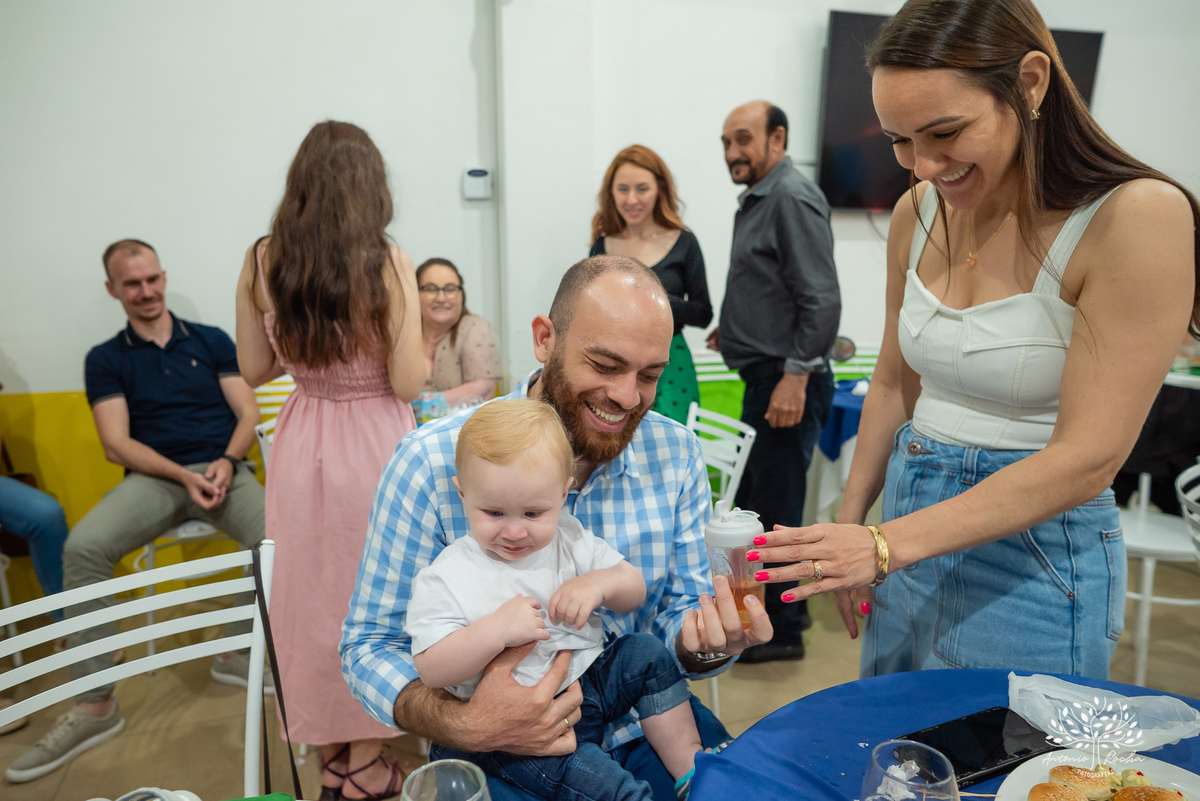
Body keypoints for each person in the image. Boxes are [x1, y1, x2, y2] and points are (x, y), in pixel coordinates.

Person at [747, 0, 1199, 680]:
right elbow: (897, 382)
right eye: (899, 140)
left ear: (1032, 83)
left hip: (1034, 551)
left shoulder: (1137, 217)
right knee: (902, 762)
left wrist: (879, 544)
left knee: (1006, 770)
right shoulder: (916, 212)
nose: (923, 165)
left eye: (945, 132)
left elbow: (1088, 458)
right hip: (908, 508)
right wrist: (852, 521)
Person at [341, 255, 773, 801]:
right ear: (545, 339)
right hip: (500, 750)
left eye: (649, 375)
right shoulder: (431, 462)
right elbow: (369, 648)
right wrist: (468, 723)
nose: (626, 396)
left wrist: (708, 644)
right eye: (605, 364)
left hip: (643, 723)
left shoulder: (676, 452)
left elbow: (675, 620)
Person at [6, 239, 266, 784]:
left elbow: (247, 410)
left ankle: (234, 651)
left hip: (223, 469)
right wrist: (182, 475)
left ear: (163, 278)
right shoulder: (106, 357)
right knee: (83, 547)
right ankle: (95, 705)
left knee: (278, 537)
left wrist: (225, 460)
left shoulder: (212, 340)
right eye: (131, 284)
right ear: (113, 290)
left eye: (152, 279)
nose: (145, 292)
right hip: (155, 477)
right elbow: (115, 443)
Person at [235, 121, 424, 801]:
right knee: (378, 593)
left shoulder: (262, 259)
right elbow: (407, 381)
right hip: (375, 439)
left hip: (302, 437)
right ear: (371, 188)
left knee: (310, 597)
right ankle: (367, 760)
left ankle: (332, 754)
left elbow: (253, 368)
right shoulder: (388, 261)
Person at [408, 398, 721, 800]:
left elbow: (634, 588)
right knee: (610, 787)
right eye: (494, 512)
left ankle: (690, 767)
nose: (515, 532)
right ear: (462, 493)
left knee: (644, 653)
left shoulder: (570, 537)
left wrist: (598, 585)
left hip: (591, 677)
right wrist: (494, 631)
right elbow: (431, 669)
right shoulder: (448, 576)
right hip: (520, 734)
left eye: (533, 514)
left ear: (563, 493)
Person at [706, 101, 842, 663]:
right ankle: (786, 615)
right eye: (725, 142)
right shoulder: (763, 197)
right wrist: (734, 329)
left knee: (778, 516)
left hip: (786, 383)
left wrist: (795, 376)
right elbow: (777, 288)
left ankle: (782, 632)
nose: (733, 152)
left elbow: (821, 297)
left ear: (777, 139)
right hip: (765, 375)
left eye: (743, 139)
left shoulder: (789, 196)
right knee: (766, 504)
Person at [590, 145, 712, 424]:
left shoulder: (684, 243)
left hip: (671, 362)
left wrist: (655, 302)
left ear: (660, 189)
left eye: (642, 189)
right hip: (614, 363)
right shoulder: (602, 245)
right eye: (622, 190)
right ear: (611, 193)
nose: (631, 199)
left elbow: (703, 313)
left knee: (672, 449)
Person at [416, 257, 502, 409]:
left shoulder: (475, 327)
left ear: (461, 295)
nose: (441, 298)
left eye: (450, 289)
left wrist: (420, 405)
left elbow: (484, 388)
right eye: (430, 289)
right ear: (415, 294)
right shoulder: (403, 333)